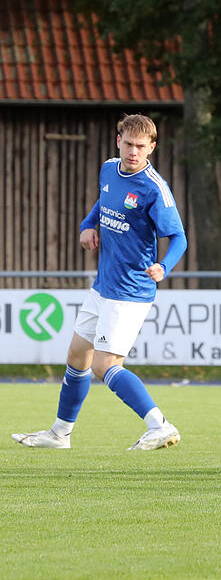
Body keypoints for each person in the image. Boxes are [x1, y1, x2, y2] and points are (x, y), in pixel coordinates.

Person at [12, 114, 188, 451]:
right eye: (128, 143)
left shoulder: (154, 188)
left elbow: (178, 237)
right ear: (117, 140)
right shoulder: (109, 169)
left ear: (151, 148)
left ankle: (159, 425)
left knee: (105, 365)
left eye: (141, 146)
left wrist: (164, 267)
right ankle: (60, 433)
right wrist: (86, 225)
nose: (133, 151)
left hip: (130, 291)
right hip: (102, 286)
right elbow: (102, 203)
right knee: (78, 356)